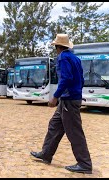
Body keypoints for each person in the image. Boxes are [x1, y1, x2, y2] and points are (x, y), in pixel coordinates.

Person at [30, 34, 93, 174]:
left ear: (58, 47)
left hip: (68, 100)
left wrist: (55, 96)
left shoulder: (63, 58)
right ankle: (46, 154)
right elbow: (81, 80)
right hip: (69, 98)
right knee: (54, 125)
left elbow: (66, 79)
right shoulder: (75, 58)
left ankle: (84, 164)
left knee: (74, 131)